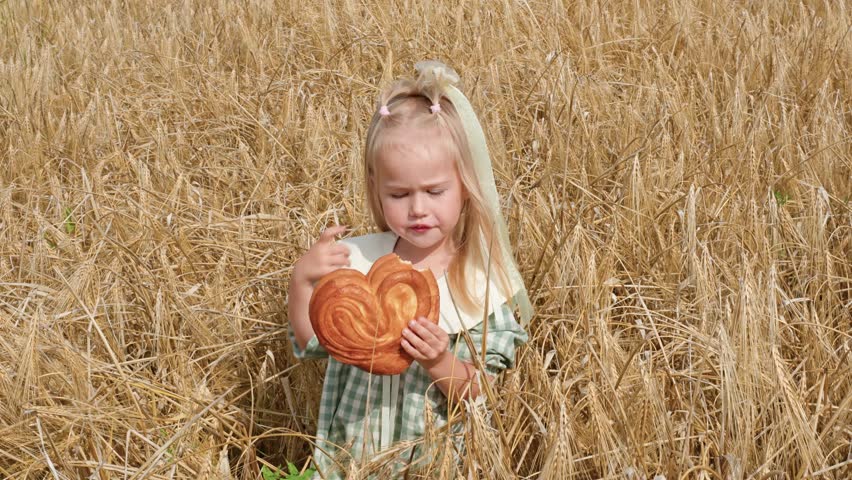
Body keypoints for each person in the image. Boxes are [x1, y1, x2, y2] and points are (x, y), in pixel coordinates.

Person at [287, 61, 534, 478]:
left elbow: (482, 391)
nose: (418, 209)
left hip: (432, 462)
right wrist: (302, 281)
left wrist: (439, 359)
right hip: (353, 455)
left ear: (466, 187)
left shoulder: (478, 284)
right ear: (376, 189)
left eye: (435, 191)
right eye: (399, 194)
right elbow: (311, 342)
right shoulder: (360, 262)